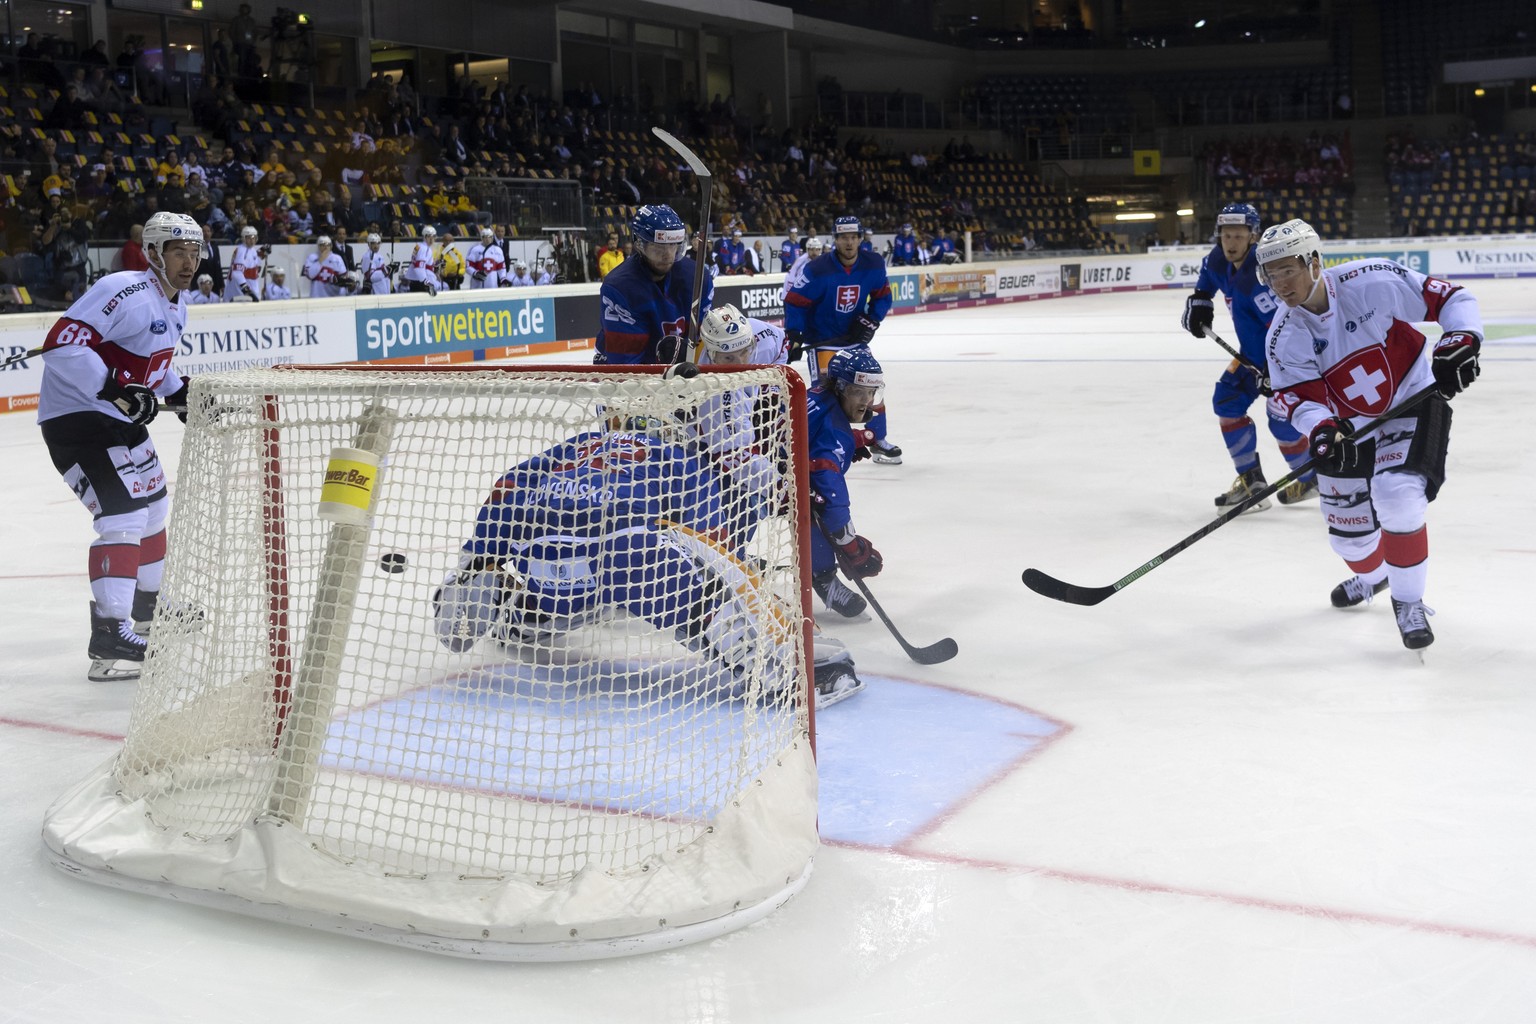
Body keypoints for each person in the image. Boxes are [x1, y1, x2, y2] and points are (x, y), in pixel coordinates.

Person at [430, 420, 791, 691]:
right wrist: (747, 584)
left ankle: (498, 602)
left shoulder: (577, 444)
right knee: (695, 587)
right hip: (623, 555)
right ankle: (769, 664)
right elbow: (713, 544)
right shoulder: (675, 455)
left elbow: (507, 485)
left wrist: (478, 555)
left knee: (555, 582)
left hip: (542, 559)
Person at [1258, 218, 1482, 652]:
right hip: (1348, 428)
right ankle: (1375, 577)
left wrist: (1462, 338)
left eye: (1288, 269)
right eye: (1271, 273)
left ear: (1315, 261)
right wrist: (1321, 430)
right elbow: (1295, 399)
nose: (1280, 283)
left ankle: (1408, 600)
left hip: (1412, 396)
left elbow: (1453, 298)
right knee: (1350, 539)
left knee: (1397, 494)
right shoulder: (1283, 336)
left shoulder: (1370, 280)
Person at [36, 211, 204, 682]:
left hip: (119, 419)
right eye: (177, 252)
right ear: (153, 253)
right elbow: (61, 345)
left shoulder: (176, 303)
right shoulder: (123, 290)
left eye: (194, 253)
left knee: (152, 510)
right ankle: (110, 636)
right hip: (79, 420)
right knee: (123, 517)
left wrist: (176, 392)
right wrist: (112, 389)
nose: (188, 262)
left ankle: (149, 606)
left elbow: (152, 363)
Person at [694, 304, 863, 706]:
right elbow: (734, 458)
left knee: (771, 506)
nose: (737, 363)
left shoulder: (761, 338)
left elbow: (782, 344)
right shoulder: (713, 396)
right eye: (727, 358)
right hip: (709, 460)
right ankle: (735, 605)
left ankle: (813, 578)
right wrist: (785, 486)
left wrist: (773, 406)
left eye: (742, 353)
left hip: (752, 440)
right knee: (728, 530)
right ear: (710, 352)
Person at [1181, 202, 1317, 512]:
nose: (1230, 243)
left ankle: (1311, 477)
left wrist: (1276, 369)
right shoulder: (1217, 260)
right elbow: (1205, 284)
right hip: (1250, 358)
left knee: (1282, 421)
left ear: (1253, 237)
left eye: (1238, 236)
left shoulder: (1260, 278)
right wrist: (1200, 302)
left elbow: (1288, 327)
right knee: (1226, 401)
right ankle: (1251, 480)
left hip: (1286, 361)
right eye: (1226, 235)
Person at [785, 215, 901, 464]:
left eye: (853, 237)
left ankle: (877, 440)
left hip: (854, 341)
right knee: (830, 395)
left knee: (871, 389)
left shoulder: (873, 263)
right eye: (843, 237)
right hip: (824, 341)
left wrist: (872, 320)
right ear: (835, 240)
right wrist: (794, 334)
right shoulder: (817, 269)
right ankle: (830, 445)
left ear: (860, 239)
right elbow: (795, 301)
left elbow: (883, 296)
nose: (849, 242)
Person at [805, 348, 886, 622]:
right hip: (759, 481)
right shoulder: (834, 435)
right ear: (840, 388)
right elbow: (832, 496)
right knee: (814, 516)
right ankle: (824, 579)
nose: (867, 401)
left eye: (871, 392)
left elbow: (817, 431)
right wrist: (850, 545)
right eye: (858, 392)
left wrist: (853, 441)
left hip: (759, 466)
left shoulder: (818, 394)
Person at [595, 204, 714, 365]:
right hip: (634, 375)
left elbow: (705, 340)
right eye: (658, 247)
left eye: (672, 246)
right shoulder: (619, 288)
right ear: (640, 244)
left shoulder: (699, 278)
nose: (667, 255)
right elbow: (624, 365)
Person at [225, 224, 267, 301]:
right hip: (239, 293)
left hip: (250, 290)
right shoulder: (241, 250)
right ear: (244, 238)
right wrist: (246, 290)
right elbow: (237, 273)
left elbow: (252, 265)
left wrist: (261, 252)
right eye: (248, 238)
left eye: (253, 237)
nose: (252, 240)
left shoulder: (252, 250)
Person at [400, 225, 441, 294]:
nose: (431, 239)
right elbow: (419, 267)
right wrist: (426, 283)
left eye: (433, 236)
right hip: (420, 283)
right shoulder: (424, 248)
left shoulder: (419, 246)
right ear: (424, 237)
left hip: (417, 281)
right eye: (429, 236)